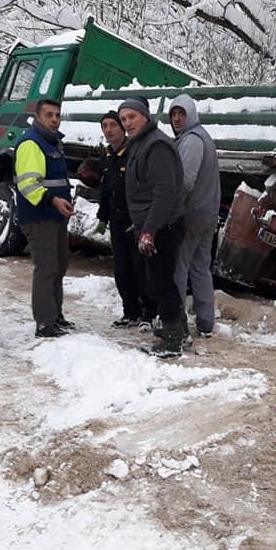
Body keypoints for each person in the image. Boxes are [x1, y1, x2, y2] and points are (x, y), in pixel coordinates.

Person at [118, 97, 187, 357]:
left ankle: (172, 340)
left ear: (145, 116)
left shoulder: (157, 146)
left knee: (159, 283)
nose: (127, 123)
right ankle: (178, 328)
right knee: (159, 280)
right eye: (123, 119)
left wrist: (149, 230)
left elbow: (164, 193)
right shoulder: (140, 144)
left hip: (163, 227)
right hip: (151, 224)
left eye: (131, 117)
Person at [14, 98, 75, 338]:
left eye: (57, 115)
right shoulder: (31, 143)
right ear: (37, 116)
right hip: (40, 217)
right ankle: (45, 323)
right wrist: (53, 200)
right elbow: (28, 185)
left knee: (59, 267)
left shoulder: (51, 142)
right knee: (47, 269)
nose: (54, 119)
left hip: (55, 216)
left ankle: (55, 316)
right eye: (48, 115)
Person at [94, 110, 156, 328]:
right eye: (104, 126)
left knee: (141, 269)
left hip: (135, 221)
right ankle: (130, 311)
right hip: (116, 220)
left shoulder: (134, 153)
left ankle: (149, 313)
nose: (109, 130)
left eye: (113, 125)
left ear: (123, 128)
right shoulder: (107, 156)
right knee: (121, 269)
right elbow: (106, 188)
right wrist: (103, 216)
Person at [168, 94, 221, 339]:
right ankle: (205, 323)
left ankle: (176, 320)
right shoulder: (205, 137)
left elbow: (185, 181)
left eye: (182, 114)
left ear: (191, 114)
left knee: (179, 266)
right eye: (174, 114)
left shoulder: (191, 140)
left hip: (192, 214)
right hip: (208, 212)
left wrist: (171, 208)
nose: (177, 119)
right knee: (200, 267)